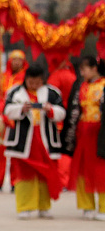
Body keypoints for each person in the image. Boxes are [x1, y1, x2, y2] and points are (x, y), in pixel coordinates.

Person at [3, 64, 65, 219]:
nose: (34, 85)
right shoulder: (15, 92)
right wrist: (21, 109)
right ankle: (25, 207)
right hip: (23, 140)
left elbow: (62, 113)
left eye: (38, 82)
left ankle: (44, 206)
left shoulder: (52, 93)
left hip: (45, 139)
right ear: (26, 79)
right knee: (24, 174)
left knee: (45, 174)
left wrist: (50, 110)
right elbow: (7, 111)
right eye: (31, 82)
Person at [62, 56, 105, 220]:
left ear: (94, 68)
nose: (82, 73)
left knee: (101, 170)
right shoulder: (80, 85)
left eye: (84, 69)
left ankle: (103, 207)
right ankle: (86, 206)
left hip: (100, 132)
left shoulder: (104, 85)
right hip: (83, 132)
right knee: (83, 169)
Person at [0, 49, 27, 191]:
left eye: (19, 60)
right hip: (2, 117)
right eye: (14, 59)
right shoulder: (2, 77)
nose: (16, 62)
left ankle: (16, 181)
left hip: (17, 117)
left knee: (16, 151)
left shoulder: (25, 77)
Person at [48, 58, 77, 189]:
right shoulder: (72, 75)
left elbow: (50, 97)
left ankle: (61, 180)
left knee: (59, 150)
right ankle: (67, 179)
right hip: (71, 116)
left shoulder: (56, 76)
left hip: (58, 117)